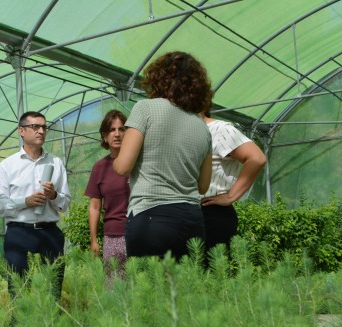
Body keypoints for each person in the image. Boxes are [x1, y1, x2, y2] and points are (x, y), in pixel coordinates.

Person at [113, 51, 213, 261]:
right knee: (185, 292)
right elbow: (203, 186)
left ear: (158, 78)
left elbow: (123, 167)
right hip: (193, 221)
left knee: (149, 291)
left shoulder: (145, 108)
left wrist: (116, 158)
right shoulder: (201, 126)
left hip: (151, 216)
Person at [0, 111, 71, 300]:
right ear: (21, 131)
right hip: (19, 234)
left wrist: (53, 195)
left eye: (44, 127)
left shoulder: (56, 163)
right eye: (35, 127)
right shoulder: (7, 165)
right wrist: (24, 202)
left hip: (50, 234)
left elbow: (65, 203)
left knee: (52, 293)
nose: (41, 131)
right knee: (19, 293)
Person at [200, 111, 266, 254]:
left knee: (210, 272)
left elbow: (257, 158)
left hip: (210, 211)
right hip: (183, 211)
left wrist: (231, 196)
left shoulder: (220, 129)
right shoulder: (180, 129)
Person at [84, 109, 129, 276]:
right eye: (112, 130)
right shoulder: (99, 167)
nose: (117, 134)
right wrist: (94, 240)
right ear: (104, 135)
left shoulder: (139, 163)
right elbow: (95, 207)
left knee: (141, 289)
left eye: (121, 129)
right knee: (113, 288)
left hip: (139, 232)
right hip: (113, 236)